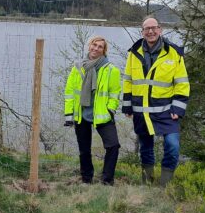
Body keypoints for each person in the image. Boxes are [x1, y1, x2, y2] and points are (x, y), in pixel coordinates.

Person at [122, 16, 190, 187]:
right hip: (142, 111)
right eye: (147, 28)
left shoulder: (174, 53)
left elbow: (182, 84)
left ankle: (164, 185)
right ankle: (148, 181)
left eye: (154, 28)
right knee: (146, 148)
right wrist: (127, 105)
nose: (150, 31)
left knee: (172, 146)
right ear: (142, 32)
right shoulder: (134, 52)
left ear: (160, 30)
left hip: (167, 111)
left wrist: (178, 108)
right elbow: (128, 80)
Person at [64, 36, 121, 185]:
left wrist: (111, 110)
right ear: (89, 46)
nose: (96, 48)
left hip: (102, 114)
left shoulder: (111, 70)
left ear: (104, 51)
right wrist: (69, 114)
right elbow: (69, 92)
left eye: (100, 47)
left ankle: (107, 180)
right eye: (94, 45)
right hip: (81, 114)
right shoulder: (77, 67)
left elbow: (115, 93)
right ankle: (86, 179)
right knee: (84, 149)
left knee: (113, 145)